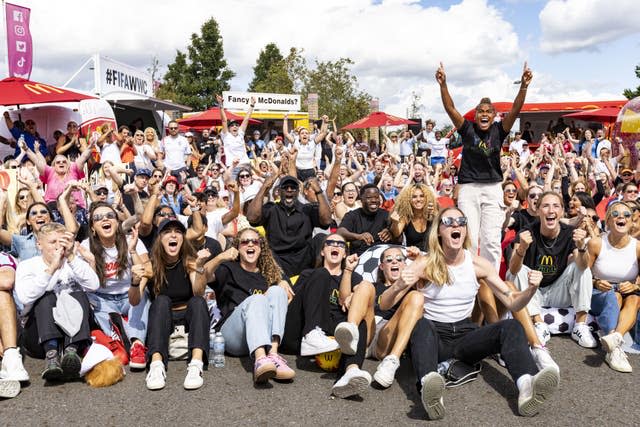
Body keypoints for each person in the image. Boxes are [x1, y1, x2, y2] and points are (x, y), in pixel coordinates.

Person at [393, 207, 558, 419]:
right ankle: (430, 389)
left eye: (461, 221)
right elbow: (387, 302)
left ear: (465, 231)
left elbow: (512, 302)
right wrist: (397, 286)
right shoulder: (423, 263)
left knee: (510, 326)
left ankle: (527, 386)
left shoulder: (479, 264)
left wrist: (530, 290)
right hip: (434, 337)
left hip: (465, 336)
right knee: (421, 325)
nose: (456, 225)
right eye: (449, 221)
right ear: (439, 231)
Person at [435, 61, 532, 272]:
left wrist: (523, 85)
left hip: (492, 188)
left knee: (490, 240)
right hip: (469, 188)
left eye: (488, 111)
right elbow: (450, 108)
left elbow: (516, 109)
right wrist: (443, 84)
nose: (484, 114)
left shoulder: (499, 129)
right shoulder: (467, 129)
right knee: (470, 238)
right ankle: (469, 278)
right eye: (481, 111)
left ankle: (490, 279)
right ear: (476, 115)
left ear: (494, 115)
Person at [280, 233, 373, 398]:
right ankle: (311, 333)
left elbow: (361, 295)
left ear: (345, 253)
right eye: (330, 243)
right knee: (322, 273)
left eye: (341, 244)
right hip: (299, 333)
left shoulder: (354, 277)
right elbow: (296, 304)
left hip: (331, 334)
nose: (336, 246)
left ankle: (350, 373)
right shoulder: (309, 274)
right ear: (322, 251)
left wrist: (354, 292)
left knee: (361, 323)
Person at [507, 191, 596, 348]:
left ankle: (580, 325)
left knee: (583, 267)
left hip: (558, 292)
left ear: (561, 211)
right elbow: (513, 270)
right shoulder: (526, 231)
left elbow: (582, 266)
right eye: (545, 206)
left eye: (556, 206)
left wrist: (582, 247)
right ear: (538, 211)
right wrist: (522, 248)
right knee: (518, 270)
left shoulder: (569, 233)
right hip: (532, 293)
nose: (550, 210)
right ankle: (539, 324)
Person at [15, 223, 99, 382]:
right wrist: (53, 267)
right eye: (53, 242)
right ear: (39, 244)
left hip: (74, 333)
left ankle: (71, 352)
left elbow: (93, 286)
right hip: (39, 334)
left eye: (62, 242)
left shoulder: (73, 262)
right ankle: (52, 356)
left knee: (77, 293)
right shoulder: (27, 266)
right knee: (46, 296)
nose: (58, 246)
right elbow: (25, 297)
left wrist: (72, 258)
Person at [211, 227, 295, 383]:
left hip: (263, 336)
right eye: (244, 242)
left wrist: (282, 281)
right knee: (257, 299)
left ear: (260, 247)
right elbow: (205, 277)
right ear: (237, 247)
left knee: (277, 291)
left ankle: (273, 355)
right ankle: (260, 360)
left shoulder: (268, 272)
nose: (250, 244)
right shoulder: (228, 268)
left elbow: (285, 293)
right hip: (234, 337)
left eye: (255, 241)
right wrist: (219, 258)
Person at [78, 202, 151, 369]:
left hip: (129, 294)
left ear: (117, 223)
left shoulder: (132, 241)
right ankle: (123, 336)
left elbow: (148, 271)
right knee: (90, 300)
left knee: (143, 294)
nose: (105, 219)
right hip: (102, 298)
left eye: (110, 216)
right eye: (98, 218)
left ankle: (137, 345)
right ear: (93, 228)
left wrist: (137, 289)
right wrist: (90, 261)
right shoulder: (85, 246)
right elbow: (87, 283)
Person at [143, 218, 211, 390]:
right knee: (161, 300)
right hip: (164, 316)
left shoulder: (189, 261)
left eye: (178, 231)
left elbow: (198, 291)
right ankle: (156, 365)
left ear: (182, 238)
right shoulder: (151, 265)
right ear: (160, 239)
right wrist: (136, 282)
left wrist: (200, 267)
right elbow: (134, 300)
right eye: (167, 232)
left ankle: (196, 364)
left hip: (188, 316)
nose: (173, 235)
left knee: (197, 301)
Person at [587, 201, 640, 372]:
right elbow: (581, 276)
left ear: (631, 222)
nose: (621, 218)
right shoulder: (596, 243)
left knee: (635, 298)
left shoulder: (638, 247)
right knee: (613, 295)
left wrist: (634, 286)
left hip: (627, 291)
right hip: (599, 291)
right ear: (608, 221)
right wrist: (595, 281)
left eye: (626, 215)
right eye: (615, 214)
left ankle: (615, 338)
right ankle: (615, 346)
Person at [247, 174, 331, 277]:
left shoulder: (307, 209)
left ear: (298, 191)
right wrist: (264, 188)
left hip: (304, 260)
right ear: (279, 191)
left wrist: (318, 191)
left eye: (293, 188)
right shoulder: (271, 209)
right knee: (266, 251)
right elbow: (252, 218)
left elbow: (326, 220)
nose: (289, 190)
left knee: (321, 238)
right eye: (285, 187)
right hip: (277, 261)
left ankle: (318, 276)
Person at [0, 251, 29, 397]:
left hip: (7, 325)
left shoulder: (3, 257)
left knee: (2, 294)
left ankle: (11, 359)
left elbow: (6, 281)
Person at [337, 184, 393, 255]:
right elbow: (340, 232)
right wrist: (358, 236)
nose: (373, 200)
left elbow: (398, 235)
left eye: (376, 197)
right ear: (361, 199)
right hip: (359, 257)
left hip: (383, 256)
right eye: (369, 197)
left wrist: (391, 231)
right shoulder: (352, 215)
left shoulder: (386, 215)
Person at [216, 94, 256, 177]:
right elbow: (224, 120)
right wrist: (220, 105)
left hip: (245, 165)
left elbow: (246, 119)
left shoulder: (240, 134)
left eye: (236, 125)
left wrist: (252, 105)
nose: (235, 126)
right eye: (232, 125)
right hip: (232, 167)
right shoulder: (226, 136)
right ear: (229, 128)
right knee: (234, 189)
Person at [389, 183, 438, 250]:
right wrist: (394, 222)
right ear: (408, 200)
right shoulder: (406, 216)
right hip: (413, 256)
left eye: (422, 196)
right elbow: (396, 234)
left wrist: (436, 217)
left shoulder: (432, 212)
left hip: (432, 255)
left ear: (427, 198)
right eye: (414, 197)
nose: (418, 199)